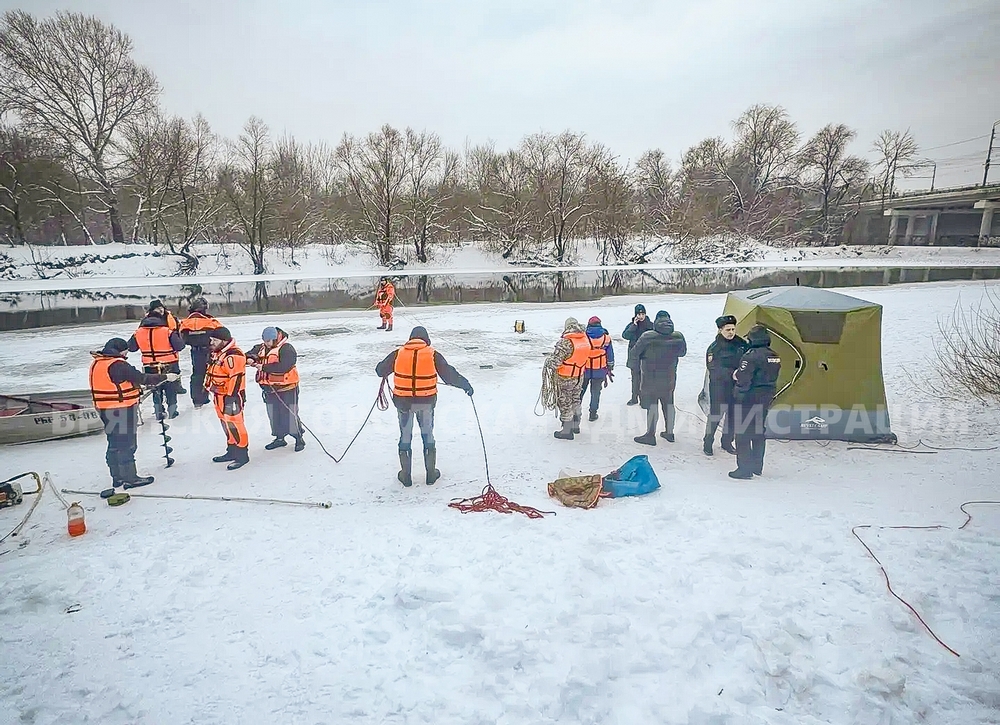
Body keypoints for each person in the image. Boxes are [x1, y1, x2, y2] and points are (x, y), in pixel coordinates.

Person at [375, 326, 473, 487]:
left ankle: (406, 476)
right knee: (428, 435)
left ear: (411, 338)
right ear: (426, 339)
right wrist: (465, 385)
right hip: (425, 402)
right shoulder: (433, 354)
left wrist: (386, 366)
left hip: (403, 402)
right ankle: (431, 474)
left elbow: (380, 371)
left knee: (405, 436)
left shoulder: (398, 353)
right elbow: (449, 375)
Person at [89, 337, 177, 498]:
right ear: (120, 350)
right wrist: (166, 377)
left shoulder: (98, 362)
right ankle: (130, 478)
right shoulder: (118, 364)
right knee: (127, 444)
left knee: (114, 442)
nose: (126, 353)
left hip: (104, 408)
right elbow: (141, 378)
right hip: (121, 409)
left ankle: (117, 477)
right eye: (126, 351)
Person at [729, 325, 781, 480]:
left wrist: (737, 387)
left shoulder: (750, 356)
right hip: (766, 398)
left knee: (743, 433)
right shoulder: (775, 356)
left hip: (749, 398)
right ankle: (757, 466)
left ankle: (744, 469)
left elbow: (743, 379)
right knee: (758, 432)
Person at [632, 310, 687, 446]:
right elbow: (682, 353)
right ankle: (669, 433)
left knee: (652, 405)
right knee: (669, 404)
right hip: (669, 377)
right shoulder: (678, 336)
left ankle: (650, 435)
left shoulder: (647, 336)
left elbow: (635, 353)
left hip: (650, 377)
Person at [247, 327, 305, 452]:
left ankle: (298, 438)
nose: (267, 343)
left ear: (276, 338)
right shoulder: (261, 347)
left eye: (269, 341)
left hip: (287, 388)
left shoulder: (287, 348)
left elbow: (285, 366)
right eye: (265, 341)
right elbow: (250, 353)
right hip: (269, 389)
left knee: (289, 415)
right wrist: (250, 358)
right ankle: (280, 438)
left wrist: (264, 367)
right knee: (274, 415)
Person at [128, 299, 185, 420]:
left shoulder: (138, 332)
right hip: (169, 363)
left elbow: (132, 348)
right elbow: (180, 346)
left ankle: (159, 412)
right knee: (170, 388)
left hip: (149, 364)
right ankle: (172, 411)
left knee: (155, 388)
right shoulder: (167, 331)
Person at [703, 315, 749, 456]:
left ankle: (727, 442)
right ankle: (708, 442)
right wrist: (732, 373)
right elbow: (713, 368)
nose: (731, 332)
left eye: (733, 329)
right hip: (719, 387)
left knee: (733, 416)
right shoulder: (714, 348)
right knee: (716, 415)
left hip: (736, 387)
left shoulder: (742, 344)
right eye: (727, 329)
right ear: (720, 330)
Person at [206, 328, 250, 470]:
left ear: (224, 341)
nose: (211, 342)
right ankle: (231, 450)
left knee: (235, 424)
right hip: (219, 395)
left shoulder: (233, 356)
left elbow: (236, 378)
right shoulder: (217, 354)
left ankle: (242, 454)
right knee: (225, 422)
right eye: (211, 340)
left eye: (215, 340)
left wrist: (231, 398)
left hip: (231, 396)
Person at [543, 317, 590, 440]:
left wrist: (549, 361)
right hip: (579, 376)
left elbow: (556, 363)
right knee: (576, 399)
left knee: (565, 402)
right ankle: (576, 425)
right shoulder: (585, 339)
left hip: (565, 377)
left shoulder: (565, 342)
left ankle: (567, 430)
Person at [178, 297, 223, 409]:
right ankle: (208, 396)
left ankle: (197, 400)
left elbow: (181, 338)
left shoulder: (184, 322)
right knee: (211, 374)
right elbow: (222, 333)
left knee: (197, 375)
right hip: (209, 350)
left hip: (195, 351)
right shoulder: (211, 321)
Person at [580, 316, 615, 422]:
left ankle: (575, 413)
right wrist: (610, 367)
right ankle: (593, 414)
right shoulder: (606, 338)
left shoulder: (584, 337)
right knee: (595, 393)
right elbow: (610, 354)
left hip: (585, 369)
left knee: (580, 392)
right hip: (599, 370)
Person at [622, 304, 654, 405]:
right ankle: (634, 398)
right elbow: (625, 335)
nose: (641, 316)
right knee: (635, 379)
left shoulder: (651, 325)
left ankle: (644, 399)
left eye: (642, 314)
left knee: (645, 379)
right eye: (639, 314)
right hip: (635, 356)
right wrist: (634, 326)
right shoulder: (631, 325)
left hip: (646, 356)